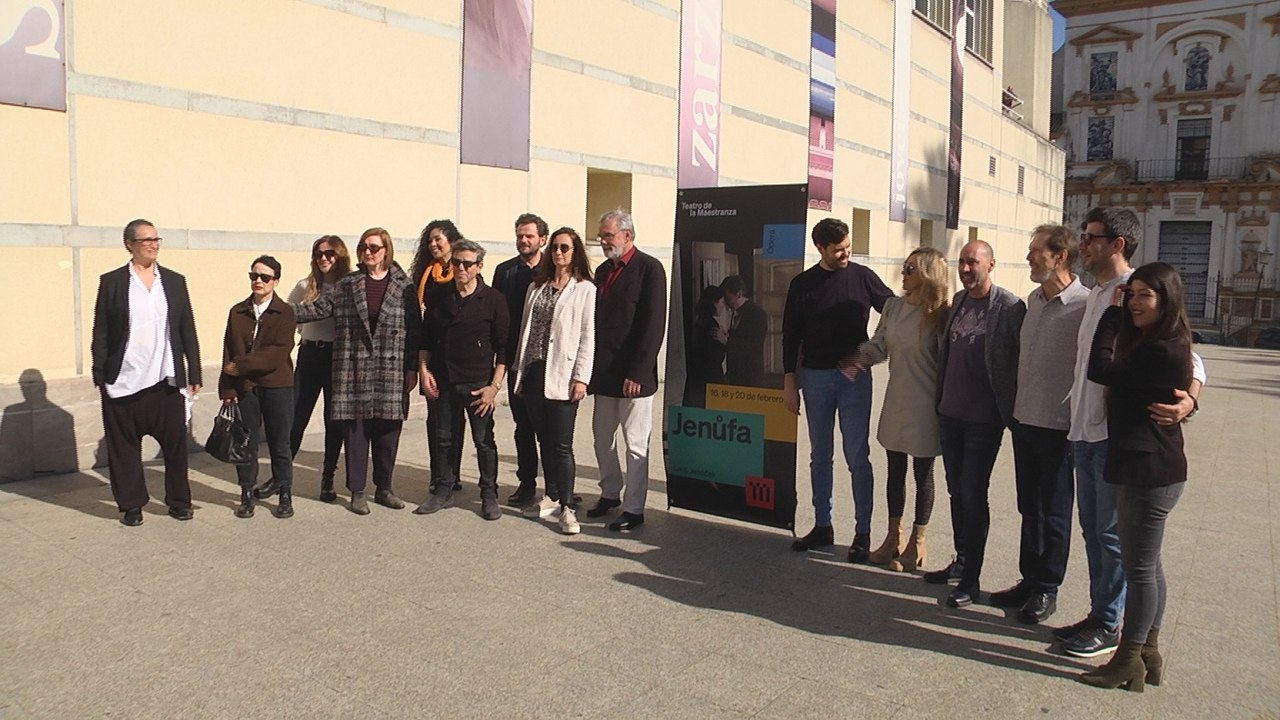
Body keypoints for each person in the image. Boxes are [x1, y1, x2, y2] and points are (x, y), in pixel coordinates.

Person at [1057, 207, 1204, 658]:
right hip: (1082, 429)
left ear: (1117, 244)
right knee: (1092, 531)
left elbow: (1190, 356)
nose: (1082, 244)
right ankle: (1101, 609)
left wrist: (1190, 398)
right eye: (1083, 235)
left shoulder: (1141, 292)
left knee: (1112, 537)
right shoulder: (1096, 293)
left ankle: (1110, 624)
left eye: (1091, 237)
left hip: (1114, 440)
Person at [1079, 262, 1192, 692]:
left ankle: (1128, 657)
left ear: (1167, 300)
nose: (1135, 302)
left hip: (1149, 471)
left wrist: (1110, 315)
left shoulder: (1159, 348)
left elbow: (1101, 369)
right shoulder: (1161, 341)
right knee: (1149, 565)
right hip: (1155, 466)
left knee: (1139, 568)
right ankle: (1147, 651)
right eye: (1132, 294)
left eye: (1146, 295)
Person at [986, 225, 1088, 624]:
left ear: (1060, 255)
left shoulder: (1085, 304)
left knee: (1056, 509)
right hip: (1025, 420)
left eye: (1036, 251)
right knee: (1029, 506)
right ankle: (1029, 580)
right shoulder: (1033, 300)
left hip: (1059, 426)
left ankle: (1048, 588)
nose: (1029, 257)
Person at [782, 218, 893, 561]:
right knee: (820, 456)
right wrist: (790, 380)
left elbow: (893, 311)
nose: (845, 253)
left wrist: (870, 354)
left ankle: (862, 532)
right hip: (815, 377)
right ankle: (822, 525)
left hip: (854, 378)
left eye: (848, 247)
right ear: (820, 248)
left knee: (858, 455)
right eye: (838, 249)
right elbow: (790, 335)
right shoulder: (803, 284)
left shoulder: (862, 277)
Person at [923, 240, 1025, 609]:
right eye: (962, 262)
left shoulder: (1010, 307)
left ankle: (971, 579)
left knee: (972, 493)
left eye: (973, 262)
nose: (966, 268)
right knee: (955, 491)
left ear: (991, 264)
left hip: (984, 420)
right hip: (950, 414)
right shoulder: (957, 304)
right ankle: (962, 558)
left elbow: (1021, 358)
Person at [294, 227, 419, 515]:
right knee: (356, 433)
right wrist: (275, 308)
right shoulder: (348, 283)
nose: (368, 251)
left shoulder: (404, 285)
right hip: (354, 368)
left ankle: (385, 488)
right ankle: (357, 492)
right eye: (363, 246)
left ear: (386, 250)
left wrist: (412, 367)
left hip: (391, 370)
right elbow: (317, 309)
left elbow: (415, 330)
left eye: (374, 247)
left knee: (388, 433)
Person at [91, 219, 202, 526]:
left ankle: (179, 501)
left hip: (165, 380)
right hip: (124, 380)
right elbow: (101, 330)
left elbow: (187, 329)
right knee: (124, 450)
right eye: (146, 240)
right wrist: (100, 374)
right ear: (130, 245)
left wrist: (194, 372)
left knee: (176, 448)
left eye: (156, 239)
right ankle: (131, 505)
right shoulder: (112, 282)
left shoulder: (174, 281)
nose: (153, 244)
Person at [855, 248, 949, 573]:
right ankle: (894, 537)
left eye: (910, 268)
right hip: (896, 400)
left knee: (923, 474)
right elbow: (879, 347)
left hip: (926, 405)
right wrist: (849, 359)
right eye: (904, 266)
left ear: (927, 274)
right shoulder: (894, 306)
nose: (903, 273)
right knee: (895, 471)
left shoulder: (941, 313)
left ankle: (917, 544)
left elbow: (950, 364)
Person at [415, 239, 510, 521]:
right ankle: (443, 490)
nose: (461, 268)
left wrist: (493, 388)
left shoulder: (494, 300)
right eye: (457, 262)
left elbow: (504, 351)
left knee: (484, 441)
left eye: (468, 264)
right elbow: (426, 339)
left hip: (478, 384)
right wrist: (423, 370)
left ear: (479, 266)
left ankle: (489, 494)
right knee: (443, 438)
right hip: (443, 381)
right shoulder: (438, 297)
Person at [510, 228, 596, 534]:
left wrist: (581, 378)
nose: (558, 253)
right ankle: (552, 497)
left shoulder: (585, 289)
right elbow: (525, 329)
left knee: (562, 445)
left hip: (562, 373)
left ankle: (569, 508)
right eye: (555, 248)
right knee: (543, 440)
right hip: (534, 372)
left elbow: (588, 336)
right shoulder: (537, 287)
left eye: (565, 248)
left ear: (575, 253)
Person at [587, 209, 667, 532]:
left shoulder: (650, 269)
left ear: (627, 235)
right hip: (604, 373)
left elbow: (653, 324)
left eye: (608, 235)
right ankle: (610, 492)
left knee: (635, 443)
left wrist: (639, 370)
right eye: (601, 235)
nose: (603, 241)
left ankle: (634, 508)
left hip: (635, 376)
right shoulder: (603, 270)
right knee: (601, 438)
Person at [217, 256, 297, 519]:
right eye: (254, 276)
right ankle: (246, 493)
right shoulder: (237, 311)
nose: (258, 281)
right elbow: (228, 349)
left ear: (276, 281)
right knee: (245, 443)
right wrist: (227, 389)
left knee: (280, 443)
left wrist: (240, 366)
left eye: (265, 277)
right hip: (245, 389)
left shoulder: (285, 313)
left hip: (278, 386)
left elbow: (277, 353)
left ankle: (285, 494)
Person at [275, 235, 350, 503]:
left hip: (337, 358)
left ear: (340, 256)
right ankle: (281, 477)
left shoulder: (349, 286)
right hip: (309, 354)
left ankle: (328, 478)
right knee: (295, 418)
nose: (324, 258)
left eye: (330, 253)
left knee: (334, 421)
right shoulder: (305, 285)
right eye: (319, 254)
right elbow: (285, 315)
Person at [493, 213, 548, 507]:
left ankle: (557, 487)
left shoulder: (553, 270)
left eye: (529, 235)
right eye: (519, 235)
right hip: (515, 361)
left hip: (546, 363)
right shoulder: (504, 272)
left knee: (550, 428)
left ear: (542, 239)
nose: (523, 241)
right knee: (523, 425)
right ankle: (526, 484)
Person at [410, 219, 465, 494]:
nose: (433, 244)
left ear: (452, 241)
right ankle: (438, 474)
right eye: (430, 240)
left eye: (438, 239)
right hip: (431, 355)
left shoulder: (463, 271)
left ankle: (453, 473)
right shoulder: (424, 275)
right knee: (436, 419)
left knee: (457, 419)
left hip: (460, 358)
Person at [683, 284, 728, 406]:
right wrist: (724, 342)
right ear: (715, 302)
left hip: (697, 380)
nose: (723, 306)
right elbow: (717, 356)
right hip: (710, 380)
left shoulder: (699, 322)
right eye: (722, 302)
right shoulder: (711, 325)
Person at [719, 275, 767, 386]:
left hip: (750, 376)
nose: (726, 304)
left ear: (739, 294)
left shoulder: (757, 314)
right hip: (734, 375)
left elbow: (754, 345)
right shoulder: (734, 312)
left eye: (729, 299)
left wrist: (727, 340)